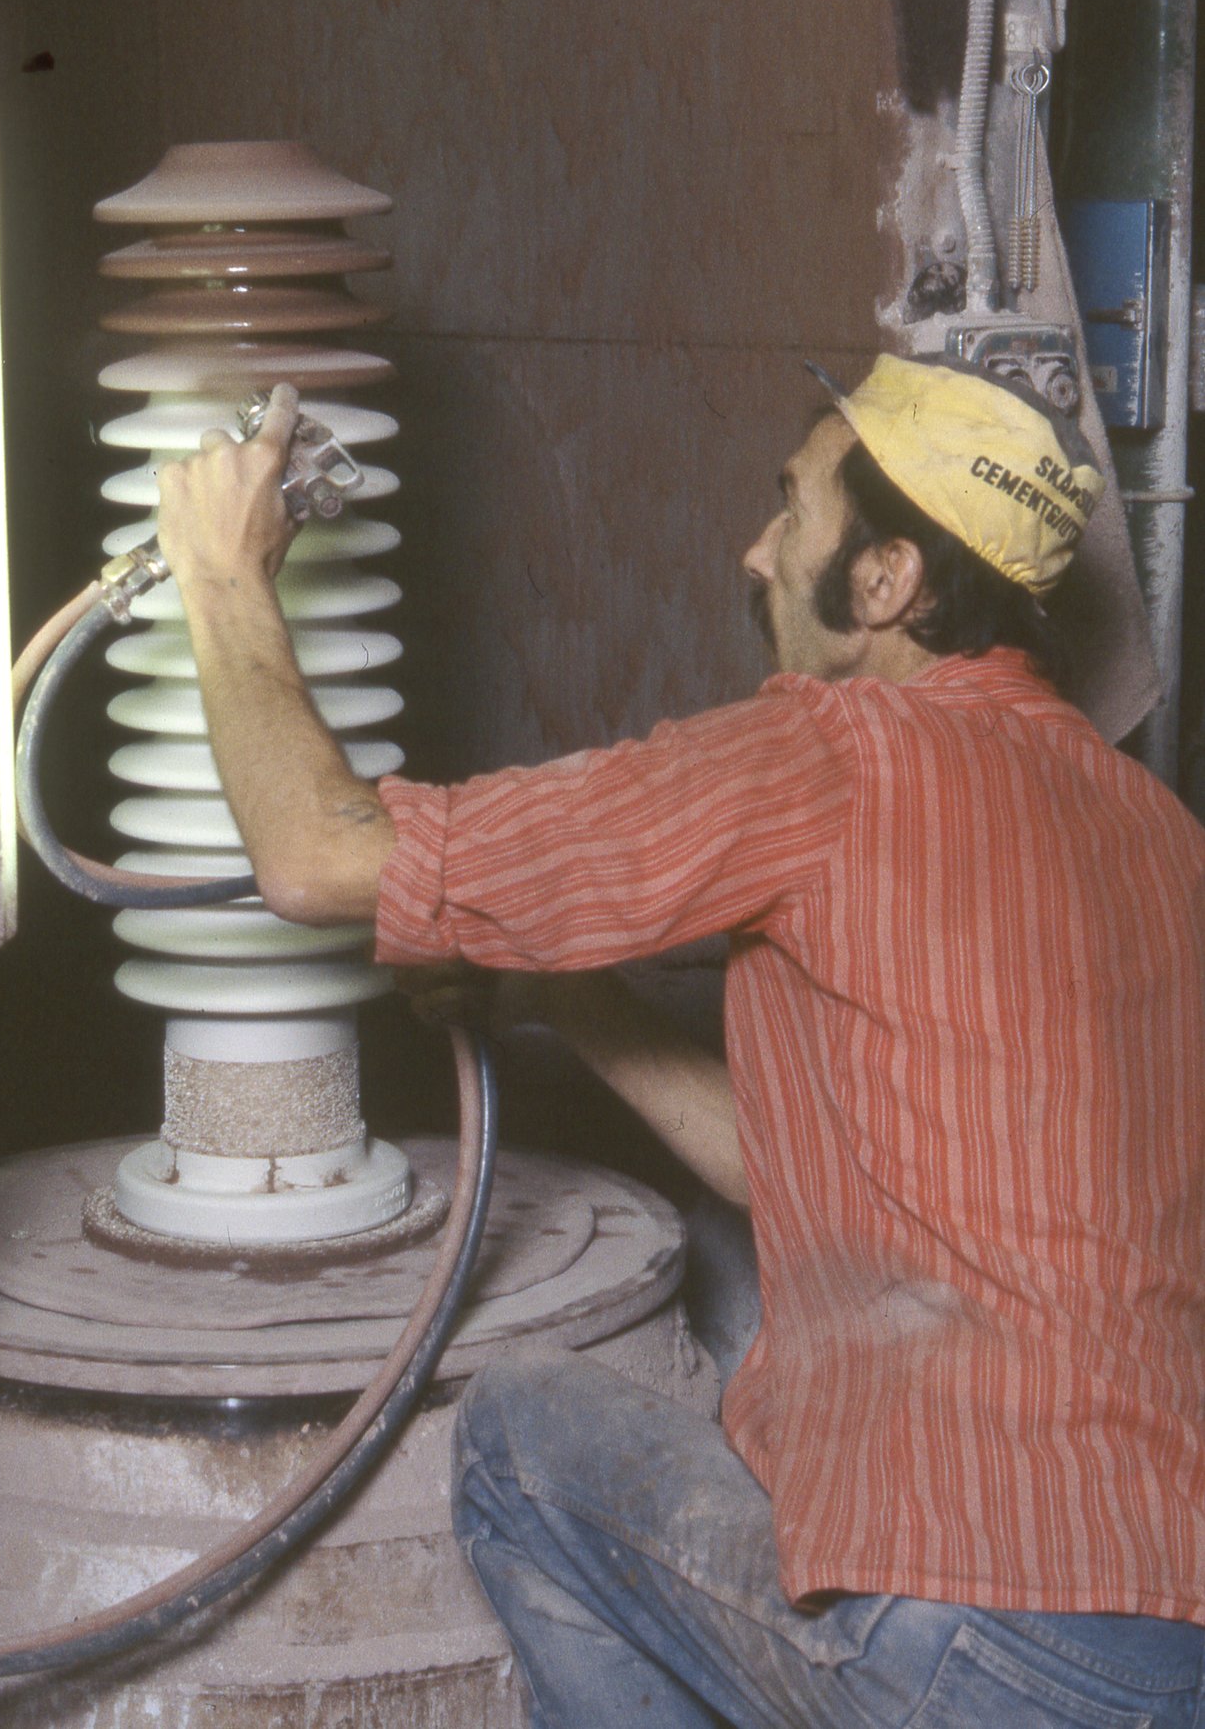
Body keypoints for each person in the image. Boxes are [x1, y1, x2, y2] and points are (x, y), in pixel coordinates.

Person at [157, 355, 1205, 1727]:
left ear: (885, 580)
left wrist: (223, 579)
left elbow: (314, 855)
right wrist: (565, 999)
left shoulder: (836, 753)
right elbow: (799, 1179)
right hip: (1160, 1651)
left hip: (966, 1632)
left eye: (790, 507)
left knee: (520, 1437)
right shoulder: (1157, 831)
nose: (754, 548)